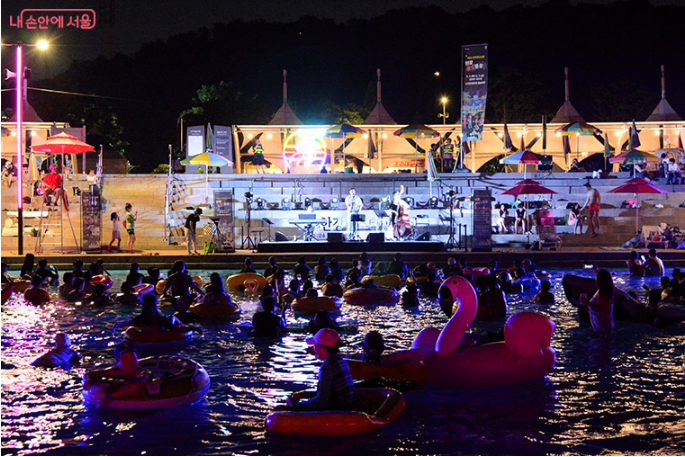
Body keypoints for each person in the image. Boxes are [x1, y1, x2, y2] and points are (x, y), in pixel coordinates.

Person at [284, 328, 354, 412]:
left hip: (338, 412)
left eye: (315, 345)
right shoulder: (342, 362)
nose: (313, 349)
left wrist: (294, 405)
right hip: (346, 408)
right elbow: (327, 392)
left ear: (323, 348)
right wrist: (304, 395)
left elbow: (321, 401)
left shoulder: (327, 368)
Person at [83, 341, 152, 408]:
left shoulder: (144, 373)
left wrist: (110, 396)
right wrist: (88, 382)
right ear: (118, 362)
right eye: (125, 359)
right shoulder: (115, 371)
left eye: (132, 358)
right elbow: (89, 374)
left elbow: (137, 384)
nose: (130, 362)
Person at [580, 269, 614, 335]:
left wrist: (587, 302)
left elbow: (600, 309)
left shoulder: (601, 293)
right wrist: (596, 270)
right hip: (606, 323)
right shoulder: (608, 291)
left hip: (602, 326)